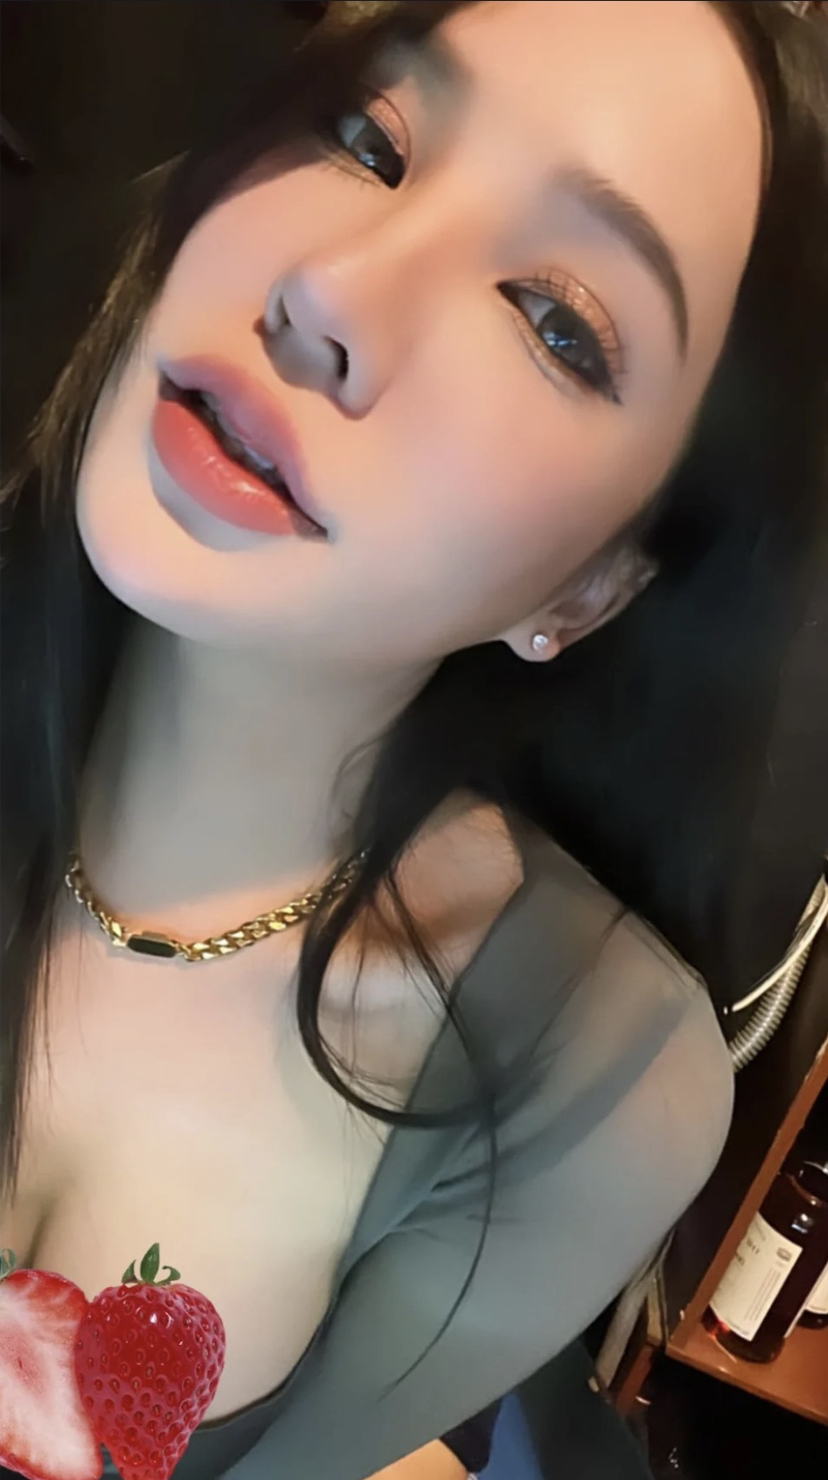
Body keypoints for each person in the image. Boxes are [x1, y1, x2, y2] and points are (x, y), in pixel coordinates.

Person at [1, 2, 826, 1477]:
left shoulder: (584, 1081)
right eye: (365, 139)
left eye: (557, 321)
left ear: (594, 586)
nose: (330, 284)